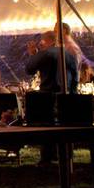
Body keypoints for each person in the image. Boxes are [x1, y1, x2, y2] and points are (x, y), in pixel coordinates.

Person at [26, 31, 78, 164]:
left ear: (45, 41)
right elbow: (75, 75)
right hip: (67, 96)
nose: (41, 44)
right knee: (65, 126)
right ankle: (66, 155)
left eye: (42, 41)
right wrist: (72, 92)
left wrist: (33, 54)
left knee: (47, 127)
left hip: (48, 95)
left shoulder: (46, 54)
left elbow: (30, 69)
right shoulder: (69, 54)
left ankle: (47, 157)